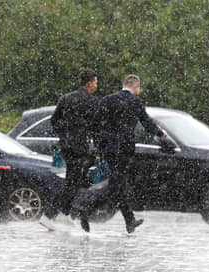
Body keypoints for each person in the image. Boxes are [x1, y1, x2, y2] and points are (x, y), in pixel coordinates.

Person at [90, 74, 167, 233]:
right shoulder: (136, 102)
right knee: (116, 185)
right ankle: (85, 210)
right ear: (135, 87)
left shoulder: (107, 99)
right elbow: (146, 122)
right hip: (125, 149)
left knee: (118, 184)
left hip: (109, 149)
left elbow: (95, 124)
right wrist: (160, 133)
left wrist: (100, 144)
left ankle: (129, 220)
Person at [49, 68, 99, 226]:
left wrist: (64, 134)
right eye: (96, 82)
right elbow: (96, 126)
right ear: (90, 83)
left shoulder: (66, 98)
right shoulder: (92, 102)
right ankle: (49, 215)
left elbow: (54, 120)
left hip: (66, 145)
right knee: (71, 183)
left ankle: (64, 213)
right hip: (80, 147)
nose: (96, 86)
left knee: (72, 180)